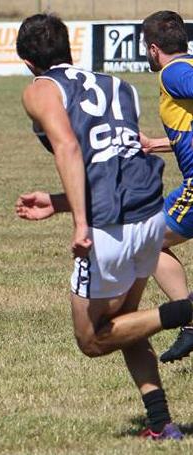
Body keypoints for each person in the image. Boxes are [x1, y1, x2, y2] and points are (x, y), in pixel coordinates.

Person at [14, 13, 189, 440]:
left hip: (110, 223)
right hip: (148, 210)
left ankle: (186, 311)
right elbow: (115, 158)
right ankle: (161, 423)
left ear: (27, 61)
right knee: (131, 320)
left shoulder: (39, 89)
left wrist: (78, 222)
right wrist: (58, 203)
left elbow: (70, 147)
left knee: (93, 339)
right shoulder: (119, 86)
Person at [139, 10, 193, 363]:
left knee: (147, 238)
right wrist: (153, 143)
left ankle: (188, 321)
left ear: (155, 48)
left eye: (147, 47)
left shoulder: (175, 72)